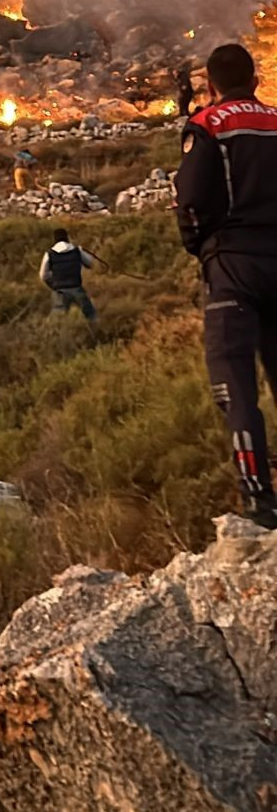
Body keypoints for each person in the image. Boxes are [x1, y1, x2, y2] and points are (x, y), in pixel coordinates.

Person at [174, 42, 277, 529]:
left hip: (233, 268)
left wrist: (202, 248)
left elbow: (190, 200)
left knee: (236, 388)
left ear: (210, 85)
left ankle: (258, 500)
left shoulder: (208, 125)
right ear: (256, 80)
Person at [39, 228, 98, 320]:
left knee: (58, 319)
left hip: (59, 290)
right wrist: (81, 251)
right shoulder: (76, 250)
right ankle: (95, 332)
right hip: (76, 287)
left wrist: (53, 284)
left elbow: (43, 275)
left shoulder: (49, 254)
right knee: (90, 315)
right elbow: (90, 264)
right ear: (67, 237)